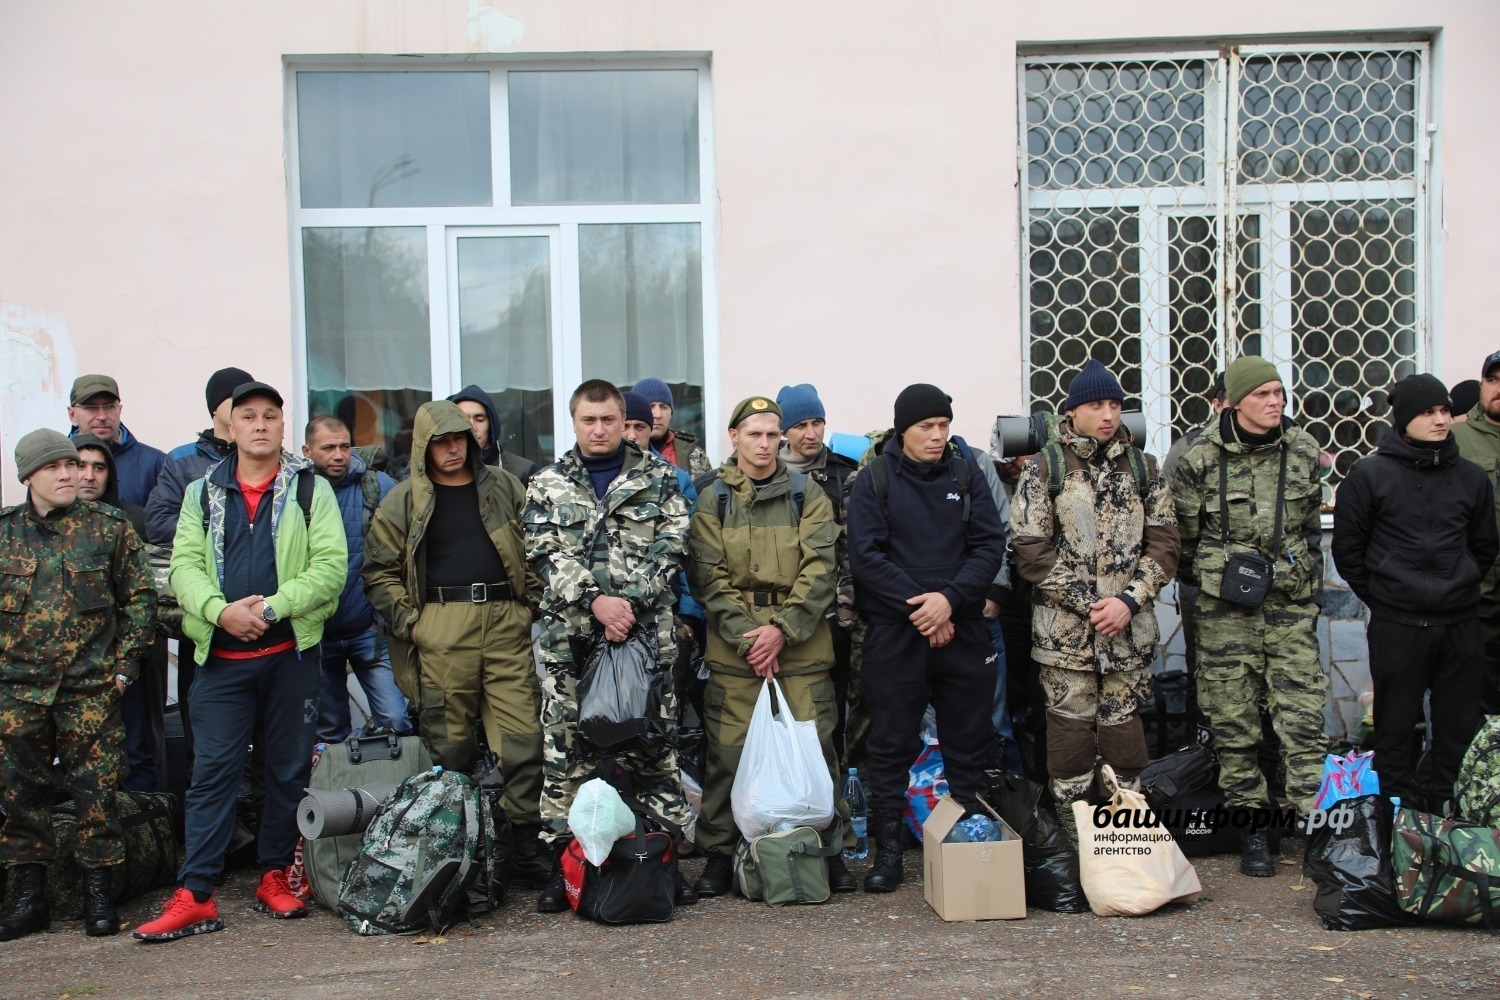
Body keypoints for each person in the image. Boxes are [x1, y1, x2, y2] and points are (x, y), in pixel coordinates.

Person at [134, 381, 346, 940]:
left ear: (282, 426)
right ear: (229, 427)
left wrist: (272, 609)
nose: (259, 425)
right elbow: (182, 568)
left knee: (285, 772)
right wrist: (220, 612)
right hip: (221, 662)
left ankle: (273, 875)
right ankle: (196, 892)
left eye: (270, 416)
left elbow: (330, 569)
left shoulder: (309, 491)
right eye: (247, 416)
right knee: (211, 775)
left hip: (289, 659)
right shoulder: (201, 493)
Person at [361, 400, 551, 887]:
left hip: (506, 621)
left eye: (460, 439)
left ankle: (524, 846)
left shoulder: (505, 487)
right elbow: (378, 573)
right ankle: (462, 851)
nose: (452, 449)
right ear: (424, 446)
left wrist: (528, 604)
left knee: (523, 740)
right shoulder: (402, 501)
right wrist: (414, 624)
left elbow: (540, 547)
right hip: (441, 625)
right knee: (450, 746)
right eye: (442, 441)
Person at [524, 380, 697, 911]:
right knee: (566, 756)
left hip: (646, 641)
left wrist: (629, 604)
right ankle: (567, 867)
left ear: (625, 422)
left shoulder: (661, 480)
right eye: (587, 421)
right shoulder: (546, 485)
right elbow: (542, 554)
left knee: (655, 753)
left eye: (608, 420)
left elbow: (673, 546)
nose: (598, 430)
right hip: (569, 643)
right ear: (573, 423)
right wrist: (598, 602)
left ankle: (663, 863)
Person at [688, 395, 854, 898]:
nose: (764, 444)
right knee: (728, 754)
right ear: (734, 437)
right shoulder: (712, 498)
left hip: (800, 647)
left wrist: (782, 629)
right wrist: (753, 640)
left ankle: (830, 850)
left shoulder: (808, 494)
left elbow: (821, 568)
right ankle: (720, 851)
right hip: (737, 649)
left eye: (771, 434)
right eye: (753, 434)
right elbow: (707, 578)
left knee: (816, 749)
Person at [1011, 360, 1180, 845]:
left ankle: (1124, 842)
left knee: (1125, 740)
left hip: (1128, 634)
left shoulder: (1145, 468)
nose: (1107, 415)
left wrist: (1129, 600)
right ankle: (1077, 843)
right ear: (1072, 410)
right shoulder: (1046, 468)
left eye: (1114, 405)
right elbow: (1031, 549)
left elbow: (1165, 543)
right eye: (1095, 405)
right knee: (1068, 739)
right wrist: (1091, 604)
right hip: (1066, 640)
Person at [845, 384, 1005, 893]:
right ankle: (888, 853)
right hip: (897, 632)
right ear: (902, 431)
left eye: (944, 426)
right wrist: (926, 608)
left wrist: (950, 601)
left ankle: (966, 844)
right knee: (890, 744)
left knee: (968, 742)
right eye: (926, 428)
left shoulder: (967, 473)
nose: (937, 436)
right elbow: (867, 558)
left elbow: (989, 543)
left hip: (962, 628)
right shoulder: (873, 481)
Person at [1172, 355, 1327, 878]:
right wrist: (1225, 577)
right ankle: (1254, 830)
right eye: (1262, 394)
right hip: (1225, 614)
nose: (1275, 402)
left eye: (1280, 393)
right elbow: (1183, 546)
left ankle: (1315, 830)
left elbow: (1309, 530)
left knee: (1303, 721)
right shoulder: (1197, 459)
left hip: (1289, 609)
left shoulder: (1303, 451)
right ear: (1236, 402)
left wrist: (1305, 592)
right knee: (1233, 725)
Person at [0, 430, 154, 941]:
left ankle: (97, 896)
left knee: (97, 795)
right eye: (55, 468)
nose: (70, 474)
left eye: (72, 465)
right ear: (28, 477)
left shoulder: (108, 529)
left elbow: (139, 601)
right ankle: (28, 900)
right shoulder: (4, 534)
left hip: (89, 692)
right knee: (22, 797)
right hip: (19, 693)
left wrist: (124, 668)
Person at [1332, 374, 1497, 811]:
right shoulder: (1369, 475)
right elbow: (1349, 550)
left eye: (1444, 410)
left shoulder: (1471, 478)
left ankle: (1449, 820)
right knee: (1395, 727)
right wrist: (1386, 596)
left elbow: (1483, 546)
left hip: (1459, 624)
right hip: (1399, 625)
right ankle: (1396, 820)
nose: (1441, 419)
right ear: (1405, 419)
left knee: (1458, 728)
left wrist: (1458, 585)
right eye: (1428, 412)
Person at [144, 366, 254, 763]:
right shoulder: (182, 461)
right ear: (217, 407)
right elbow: (157, 524)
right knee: (205, 726)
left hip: (258, 605)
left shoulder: (265, 455)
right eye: (238, 399)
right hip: (203, 610)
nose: (250, 410)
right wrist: (220, 529)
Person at [301, 416, 410, 741]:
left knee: (396, 720)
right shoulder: (296, 492)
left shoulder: (378, 487)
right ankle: (340, 793)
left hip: (369, 632)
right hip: (318, 635)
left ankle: (393, 787)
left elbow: (404, 555)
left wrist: (386, 615)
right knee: (328, 732)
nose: (338, 455)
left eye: (344, 446)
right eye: (328, 448)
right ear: (308, 450)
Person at [776, 383, 866, 766]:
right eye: (800, 425)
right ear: (784, 430)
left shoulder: (845, 473)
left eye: (817, 423)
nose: (811, 433)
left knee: (847, 700)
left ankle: (846, 779)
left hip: (837, 612)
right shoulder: (769, 473)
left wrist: (847, 606)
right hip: (786, 613)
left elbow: (853, 549)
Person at [73, 434, 166, 794]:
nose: (88, 476)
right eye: (80, 466)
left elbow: (146, 596)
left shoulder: (132, 520)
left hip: (125, 663)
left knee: (137, 753)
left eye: (99, 467)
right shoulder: (43, 526)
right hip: (71, 668)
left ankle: (143, 839)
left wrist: (127, 666)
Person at [621, 391, 705, 719]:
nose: (631, 434)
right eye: (624, 424)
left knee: (664, 720)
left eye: (639, 426)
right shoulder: (590, 480)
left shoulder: (675, 480)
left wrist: (688, 615)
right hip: (604, 622)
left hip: (665, 622)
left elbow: (694, 552)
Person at [1451, 351, 1500, 713]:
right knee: (1478, 700)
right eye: (1493, 380)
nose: (1499, 389)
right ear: (1481, 385)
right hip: (1480, 598)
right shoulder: (1456, 438)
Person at [66, 374, 166, 508]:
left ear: (119, 410)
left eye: (109, 407)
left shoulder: (155, 463)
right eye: (91, 408)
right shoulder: (53, 462)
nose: (102, 416)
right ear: (73, 415)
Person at [447, 384, 540, 483]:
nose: (472, 427)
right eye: (463, 419)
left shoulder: (522, 471)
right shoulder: (443, 468)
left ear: (491, 424)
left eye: (479, 420)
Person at [633, 377, 712, 479]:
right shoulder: (622, 453)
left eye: (664, 407)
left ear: (671, 413)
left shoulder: (695, 455)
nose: (657, 414)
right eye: (650, 406)